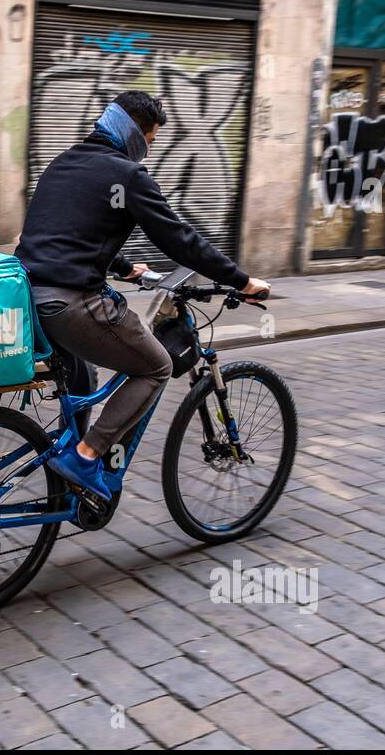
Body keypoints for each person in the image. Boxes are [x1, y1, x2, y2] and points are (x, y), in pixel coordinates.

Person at [14, 90, 271, 501]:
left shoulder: (63, 162)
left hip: (28, 301)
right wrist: (241, 280)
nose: (148, 151)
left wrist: (123, 267)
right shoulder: (128, 176)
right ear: (134, 133)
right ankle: (84, 457)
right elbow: (180, 240)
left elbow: (63, 234)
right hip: (72, 304)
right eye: (149, 141)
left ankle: (67, 478)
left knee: (85, 375)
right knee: (156, 366)